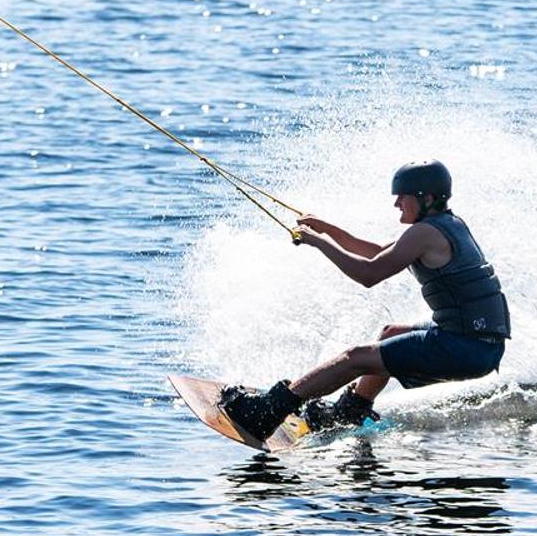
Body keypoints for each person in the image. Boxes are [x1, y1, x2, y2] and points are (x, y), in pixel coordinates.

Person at [218, 160, 512, 443]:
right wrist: (326, 229)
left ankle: (266, 413)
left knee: (355, 358)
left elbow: (368, 274)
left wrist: (318, 242)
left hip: (465, 348)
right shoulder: (446, 224)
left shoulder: (424, 233)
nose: (396, 203)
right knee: (390, 334)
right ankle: (350, 412)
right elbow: (375, 253)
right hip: (479, 344)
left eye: (403, 197)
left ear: (428, 198)